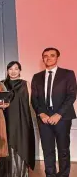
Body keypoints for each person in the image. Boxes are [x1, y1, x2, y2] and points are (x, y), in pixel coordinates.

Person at [31, 48, 76, 177]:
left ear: (57, 58)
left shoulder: (67, 74)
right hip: (43, 118)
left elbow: (71, 96)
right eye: (45, 56)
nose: (48, 58)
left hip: (62, 117)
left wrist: (58, 114)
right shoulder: (37, 76)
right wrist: (41, 114)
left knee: (63, 149)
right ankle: (50, 174)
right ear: (42, 58)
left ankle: (63, 175)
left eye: (52, 55)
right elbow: (34, 99)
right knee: (47, 149)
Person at [0, 61, 35, 177]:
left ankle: (21, 173)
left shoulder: (26, 84)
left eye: (16, 69)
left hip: (22, 120)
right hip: (6, 119)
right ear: (7, 71)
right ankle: (8, 173)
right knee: (8, 144)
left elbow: (28, 104)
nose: (13, 71)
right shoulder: (1, 84)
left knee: (22, 144)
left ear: (20, 70)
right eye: (10, 69)